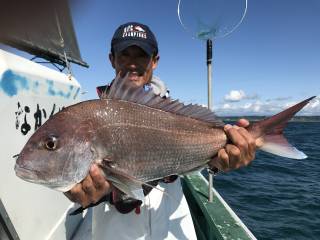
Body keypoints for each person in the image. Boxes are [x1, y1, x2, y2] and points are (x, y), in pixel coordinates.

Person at [65, 22, 256, 239]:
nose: (132, 64)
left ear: (154, 61)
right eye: (124, 55)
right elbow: (82, 179)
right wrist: (87, 191)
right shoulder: (93, 117)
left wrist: (219, 164)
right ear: (112, 59)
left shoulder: (175, 114)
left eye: (141, 56)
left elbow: (194, 159)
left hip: (170, 229)